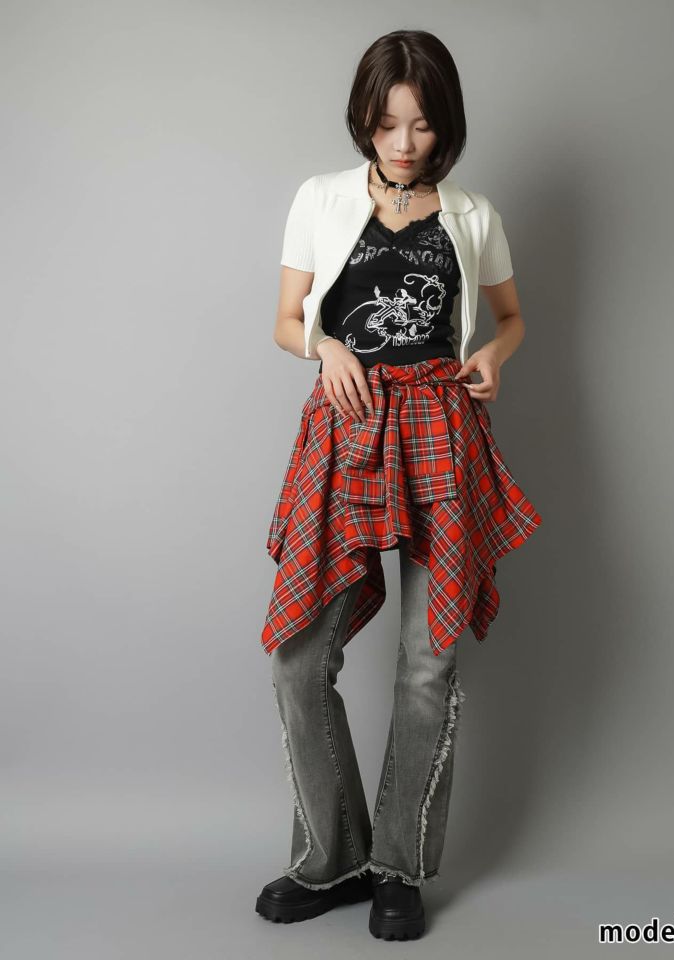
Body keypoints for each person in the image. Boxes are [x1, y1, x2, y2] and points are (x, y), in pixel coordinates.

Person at [254, 29, 543, 941]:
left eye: (421, 125)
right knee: (300, 658)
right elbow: (286, 318)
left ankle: (398, 868)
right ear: (365, 122)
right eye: (387, 124)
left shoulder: (474, 214)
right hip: (346, 431)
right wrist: (324, 345)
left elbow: (511, 318)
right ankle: (331, 857)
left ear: (444, 124)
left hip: (440, 431)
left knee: (428, 664)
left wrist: (492, 356)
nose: (404, 143)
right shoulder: (320, 198)